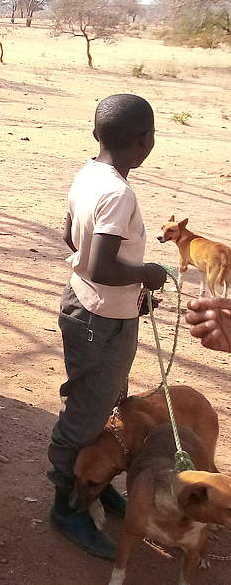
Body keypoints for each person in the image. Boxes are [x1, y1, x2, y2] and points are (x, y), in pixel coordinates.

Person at [47, 93, 169, 560]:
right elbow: (101, 265)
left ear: (97, 135)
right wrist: (148, 274)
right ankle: (67, 504)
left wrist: (130, 294)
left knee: (99, 405)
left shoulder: (89, 175)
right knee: (84, 414)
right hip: (99, 316)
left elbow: (68, 237)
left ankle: (94, 486)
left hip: (93, 306)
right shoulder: (118, 193)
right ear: (145, 141)